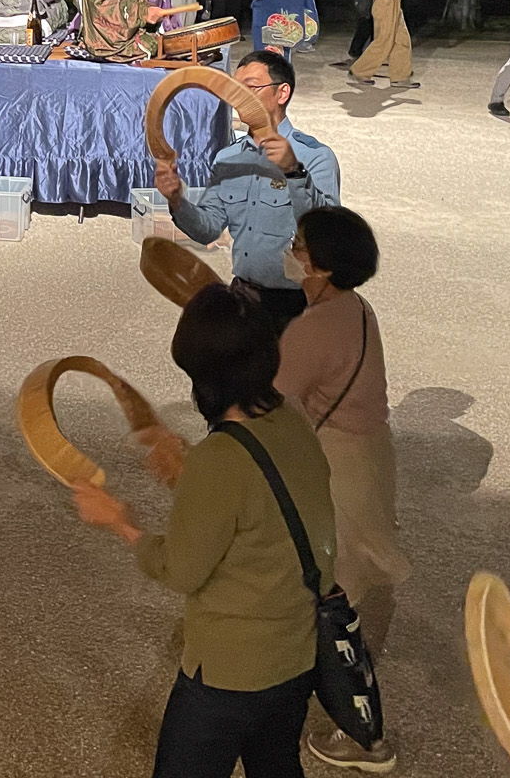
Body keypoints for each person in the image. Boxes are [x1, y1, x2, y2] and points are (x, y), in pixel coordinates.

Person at [73, 283, 335, 778]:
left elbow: (181, 569)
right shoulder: (291, 422)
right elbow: (257, 506)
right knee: (276, 764)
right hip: (296, 655)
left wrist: (120, 522)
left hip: (229, 672)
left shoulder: (219, 460)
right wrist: (183, 469)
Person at [275, 206, 408, 772]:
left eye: (300, 246)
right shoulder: (357, 308)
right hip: (371, 457)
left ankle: (363, 737)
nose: (292, 251)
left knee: (336, 602)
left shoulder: (315, 327)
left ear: (322, 267)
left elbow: (271, 404)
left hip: (339, 468)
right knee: (351, 584)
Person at [157, 49, 339, 326]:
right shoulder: (228, 157)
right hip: (243, 296)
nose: (238, 97)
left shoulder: (315, 156)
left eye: (250, 87)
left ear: (282, 93)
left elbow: (329, 233)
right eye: (235, 88)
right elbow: (208, 229)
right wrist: (176, 201)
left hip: (300, 304)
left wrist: (293, 172)